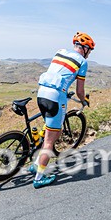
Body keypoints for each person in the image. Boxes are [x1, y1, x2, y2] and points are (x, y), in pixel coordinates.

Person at [31, 32, 93, 189]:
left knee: (50, 129)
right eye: (90, 51)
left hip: (41, 93)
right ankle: (39, 178)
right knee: (50, 141)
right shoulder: (82, 62)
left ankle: (36, 164)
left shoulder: (60, 52)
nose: (89, 54)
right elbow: (80, 90)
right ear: (85, 49)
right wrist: (83, 100)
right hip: (55, 98)